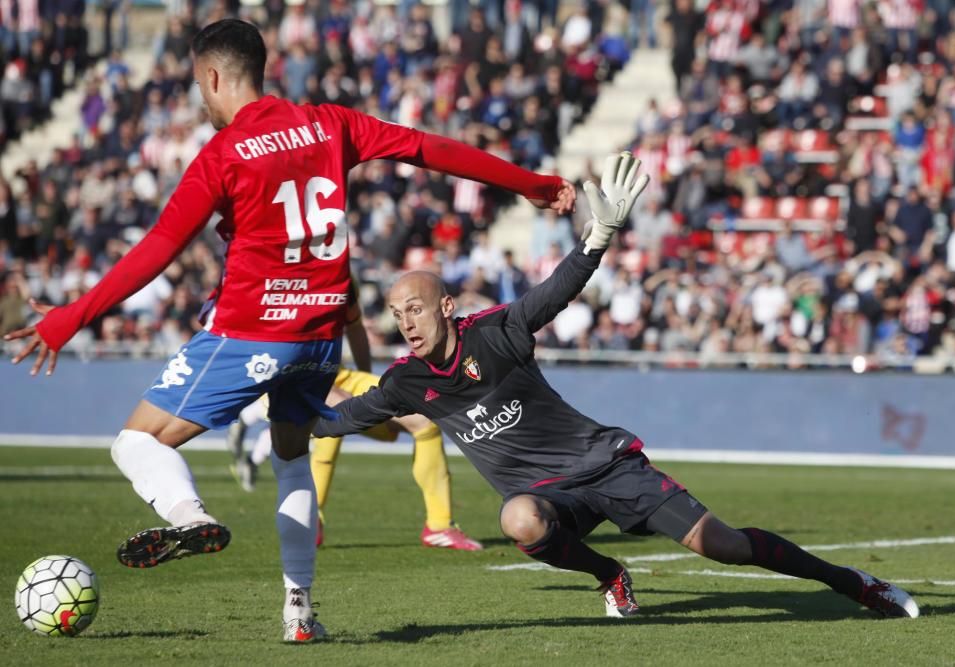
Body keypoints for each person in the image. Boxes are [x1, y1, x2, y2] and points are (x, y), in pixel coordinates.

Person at [4, 19, 574, 642]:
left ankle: (190, 516)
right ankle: (299, 613)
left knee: (138, 443)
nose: (201, 96)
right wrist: (536, 186)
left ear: (213, 76)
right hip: (318, 336)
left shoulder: (222, 155)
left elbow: (161, 247)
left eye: (199, 84)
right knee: (291, 459)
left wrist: (70, 316)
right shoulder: (331, 124)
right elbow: (428, 148)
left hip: (251, 331)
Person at [313, 152, 920, 620]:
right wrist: (269, 394)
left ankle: (854, 582)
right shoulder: (407, 382)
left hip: (604, 464)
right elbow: (339, 418)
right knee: (518, 519)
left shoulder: (495, 332)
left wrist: (595, 239)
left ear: (445, 305)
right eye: (396, 315)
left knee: (724, 545)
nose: (406, 323)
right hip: (551, 498)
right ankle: (610, 576)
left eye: (414, 309)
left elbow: (556, 290)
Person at [227, 279, 482, 551]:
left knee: (423, 420)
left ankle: (439, 525)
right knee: (333, 416)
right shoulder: (274, 276)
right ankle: (311, 521)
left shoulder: (340, 274)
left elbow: (355, 327)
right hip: (286, 378)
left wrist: (371, 385)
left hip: (340, 377)